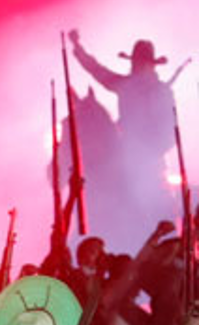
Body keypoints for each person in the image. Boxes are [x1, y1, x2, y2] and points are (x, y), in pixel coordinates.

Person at [68, 31, 177, 237]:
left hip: (150, 164)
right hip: (123, 155)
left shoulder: (161, 92)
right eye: (135, 63)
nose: (135, 67)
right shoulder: (126, 85)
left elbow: (169, 134)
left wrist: (149, 152)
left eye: (139, 63)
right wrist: (78, 48)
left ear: (149, 65)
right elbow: (97, 70)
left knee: (156, 202)